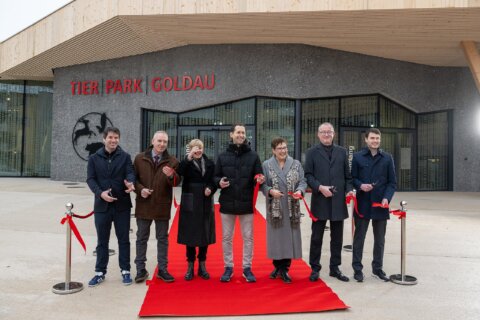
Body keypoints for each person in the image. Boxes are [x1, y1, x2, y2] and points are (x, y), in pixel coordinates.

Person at [214, 124, 265, 283]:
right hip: (227, 202)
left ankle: (246, 268)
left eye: (243, 132)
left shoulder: (254, 156)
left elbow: (259, 175)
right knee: (227, 238)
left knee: (248, 237)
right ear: (231, 134)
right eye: (238, 132)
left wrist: (259, 179)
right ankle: (228, 267)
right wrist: (218, 182)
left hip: (246, 203)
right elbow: (215, 177)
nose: (241, 135)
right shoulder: (222, 156)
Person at [86, 127, 136, 287]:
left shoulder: (125, 157)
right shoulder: (94, 158)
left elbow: (130, 173)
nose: (113, 140)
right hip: (102, 206)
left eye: (116, 138)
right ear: (104, 139)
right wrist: (100, 194)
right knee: (102, 241)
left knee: (124, 240)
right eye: (111, 137)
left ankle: (125, 271)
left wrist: (130, 183)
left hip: (122, 205)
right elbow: (91, 179)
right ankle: (100, 272)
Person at [304, 122, 353, 282]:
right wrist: (319, 187)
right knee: (317, 237)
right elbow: (308, 175)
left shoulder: (342, 152)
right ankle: (314, 268)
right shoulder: (311, 152)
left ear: (334, 134)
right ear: (318, 135)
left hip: (338, 202)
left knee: (337, 238)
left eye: (329, 132)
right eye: (323, 132)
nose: (326, 135)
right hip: (320, 200)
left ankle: (335, 268)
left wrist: (349, 189)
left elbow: (348, 176)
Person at [133, 131, 180, 283]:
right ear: (152, 141)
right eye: (159, 141)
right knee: (141, 238)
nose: (162, 144)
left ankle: (163, 269)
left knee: (162, 239)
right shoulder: (140, 158)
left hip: (162, 206)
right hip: (144, 204)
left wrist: (172, 176)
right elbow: (132, 179)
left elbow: (176, 183)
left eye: (165, 142)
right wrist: (141, 190)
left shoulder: (172, 161)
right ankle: (140, 269)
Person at [351, 128, 397, 282]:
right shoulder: (357, 157)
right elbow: (352, 178)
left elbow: (392, 183)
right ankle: (357, 269)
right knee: (359, 238)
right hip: (363, 204)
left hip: (380, 204)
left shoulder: (387, 158)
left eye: (377, 138)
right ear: (366, 139)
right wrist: (360, 186)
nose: (375, 141)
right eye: (372, 138)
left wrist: (386, 198)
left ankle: (377, 269)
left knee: (380, 240)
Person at [262, 138, 307, 284]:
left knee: (289, 238)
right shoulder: (266, 165)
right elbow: (263, 185)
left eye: (285, 148)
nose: (283, 151)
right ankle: (277, 267)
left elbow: (302, 181)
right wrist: (270, 191)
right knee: (276, 238)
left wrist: (300, 191)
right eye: (280, 148)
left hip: (291, 206)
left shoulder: (295, 164)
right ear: (273, 150)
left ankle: (285, 269)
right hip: (275, 207)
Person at [177, 139, 217, 281]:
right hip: (190, 200)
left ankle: (202, 265)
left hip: (205, 200)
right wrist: (188, 158)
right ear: (190, 150)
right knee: (190, 234)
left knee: (205, 234)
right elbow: (179, 172)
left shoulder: (210, 163)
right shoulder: (186, 163)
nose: (198, 150)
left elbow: (214, 180)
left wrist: (211, 189)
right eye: (195, 148)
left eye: (200, 148)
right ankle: (190, 267)